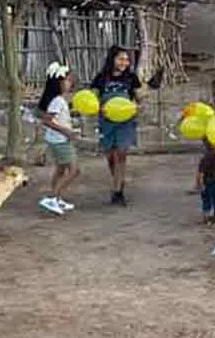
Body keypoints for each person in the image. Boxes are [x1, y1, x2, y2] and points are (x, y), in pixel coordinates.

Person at [91, 46, 141, 206]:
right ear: (112, 59)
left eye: (127, 60)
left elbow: (140, 97)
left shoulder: (131, 78)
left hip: (126, 122)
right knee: (111, 156)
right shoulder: (101, 78)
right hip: (106, 122)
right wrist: (99, 108)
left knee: (121, 153)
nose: (124, 63)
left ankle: (118, 191)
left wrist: (137, 105)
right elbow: (91, 99)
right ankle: (118, 181)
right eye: (121, 59)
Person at [37, 62, 81, 216]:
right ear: (59, 82)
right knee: (74, 170)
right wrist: (66, 131)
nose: (70, 83)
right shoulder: (57, 101)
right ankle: (52, 197)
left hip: (56, 139)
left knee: (61, 169)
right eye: (68, 80)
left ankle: (57, 197)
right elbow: (48, 120)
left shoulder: (57, 100)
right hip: (60, 140)